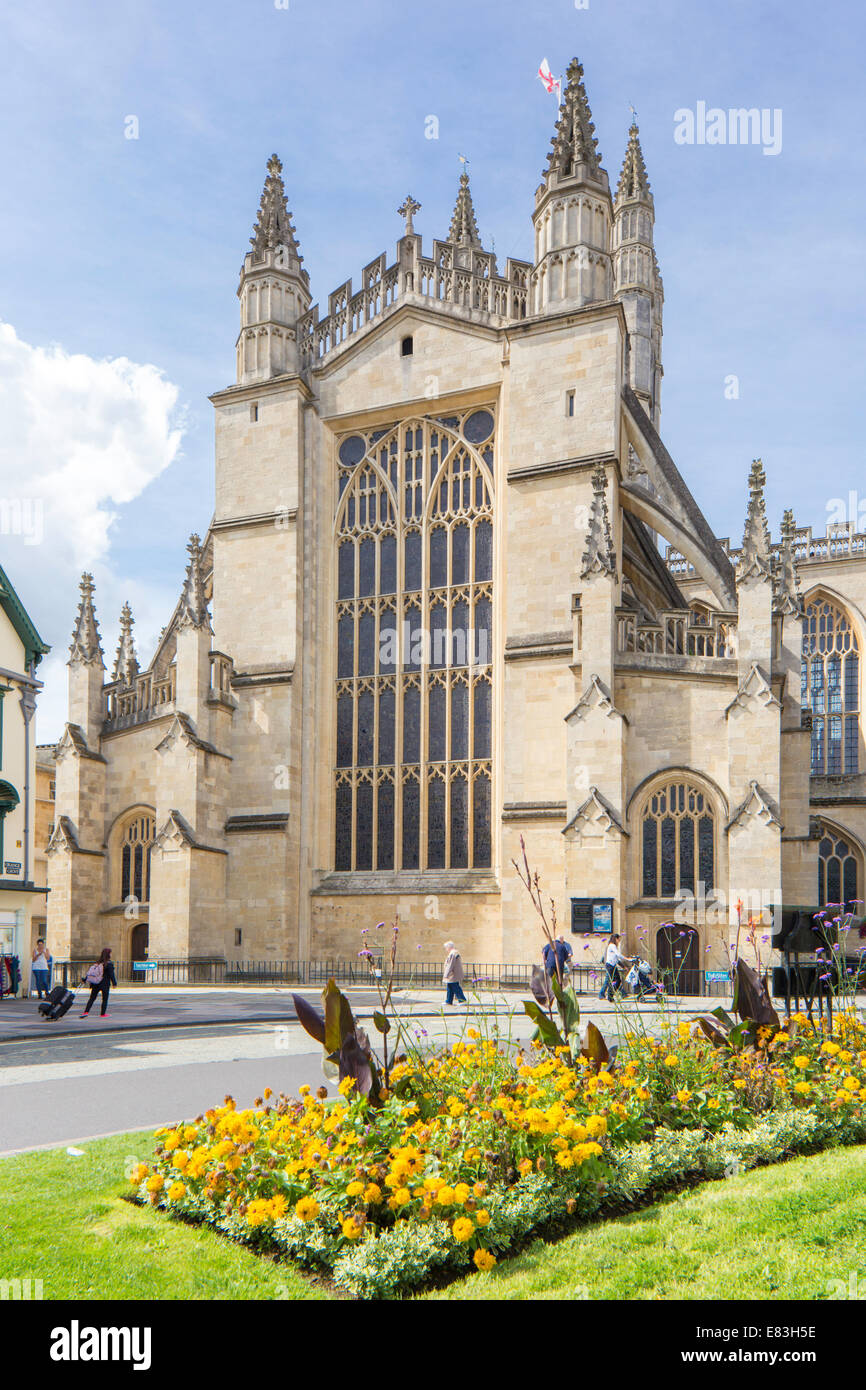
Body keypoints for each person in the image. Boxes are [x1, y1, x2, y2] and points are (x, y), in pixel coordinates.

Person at [80, 948, 118, 1018]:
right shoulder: (109, 964)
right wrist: (114, 983)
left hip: (96, 983)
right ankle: (103, 1014)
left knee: (92, 998)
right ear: (108, 954)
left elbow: (92, 973)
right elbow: (111, 974)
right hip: (105, 984)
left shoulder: (98, 963)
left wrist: (85, 979)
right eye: (111, 953)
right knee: (104, 999)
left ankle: (86, 1012)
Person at [599, 934, 634, 1002]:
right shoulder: (612, 946)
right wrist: (627, 959)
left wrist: (623, 966)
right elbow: (618, 955)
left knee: (616, 981)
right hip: (610, 966)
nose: (619, 941)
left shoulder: (612, 946)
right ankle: (609, 995)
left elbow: (616, 959)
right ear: (616, 939)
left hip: (612, 966)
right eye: (618, 939)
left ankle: (611, 995)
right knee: (613, 981)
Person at [442, 941, 467, 1006]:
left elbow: (450, 965)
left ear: (449, 947)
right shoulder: (454, 953)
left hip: (452, 974)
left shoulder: (453, 954)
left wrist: (446, 974)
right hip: (452, 974)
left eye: (446, 948)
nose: (446, 949)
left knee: (455, 987)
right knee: (450, 987)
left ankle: (462, 1000)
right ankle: (448, 1001)